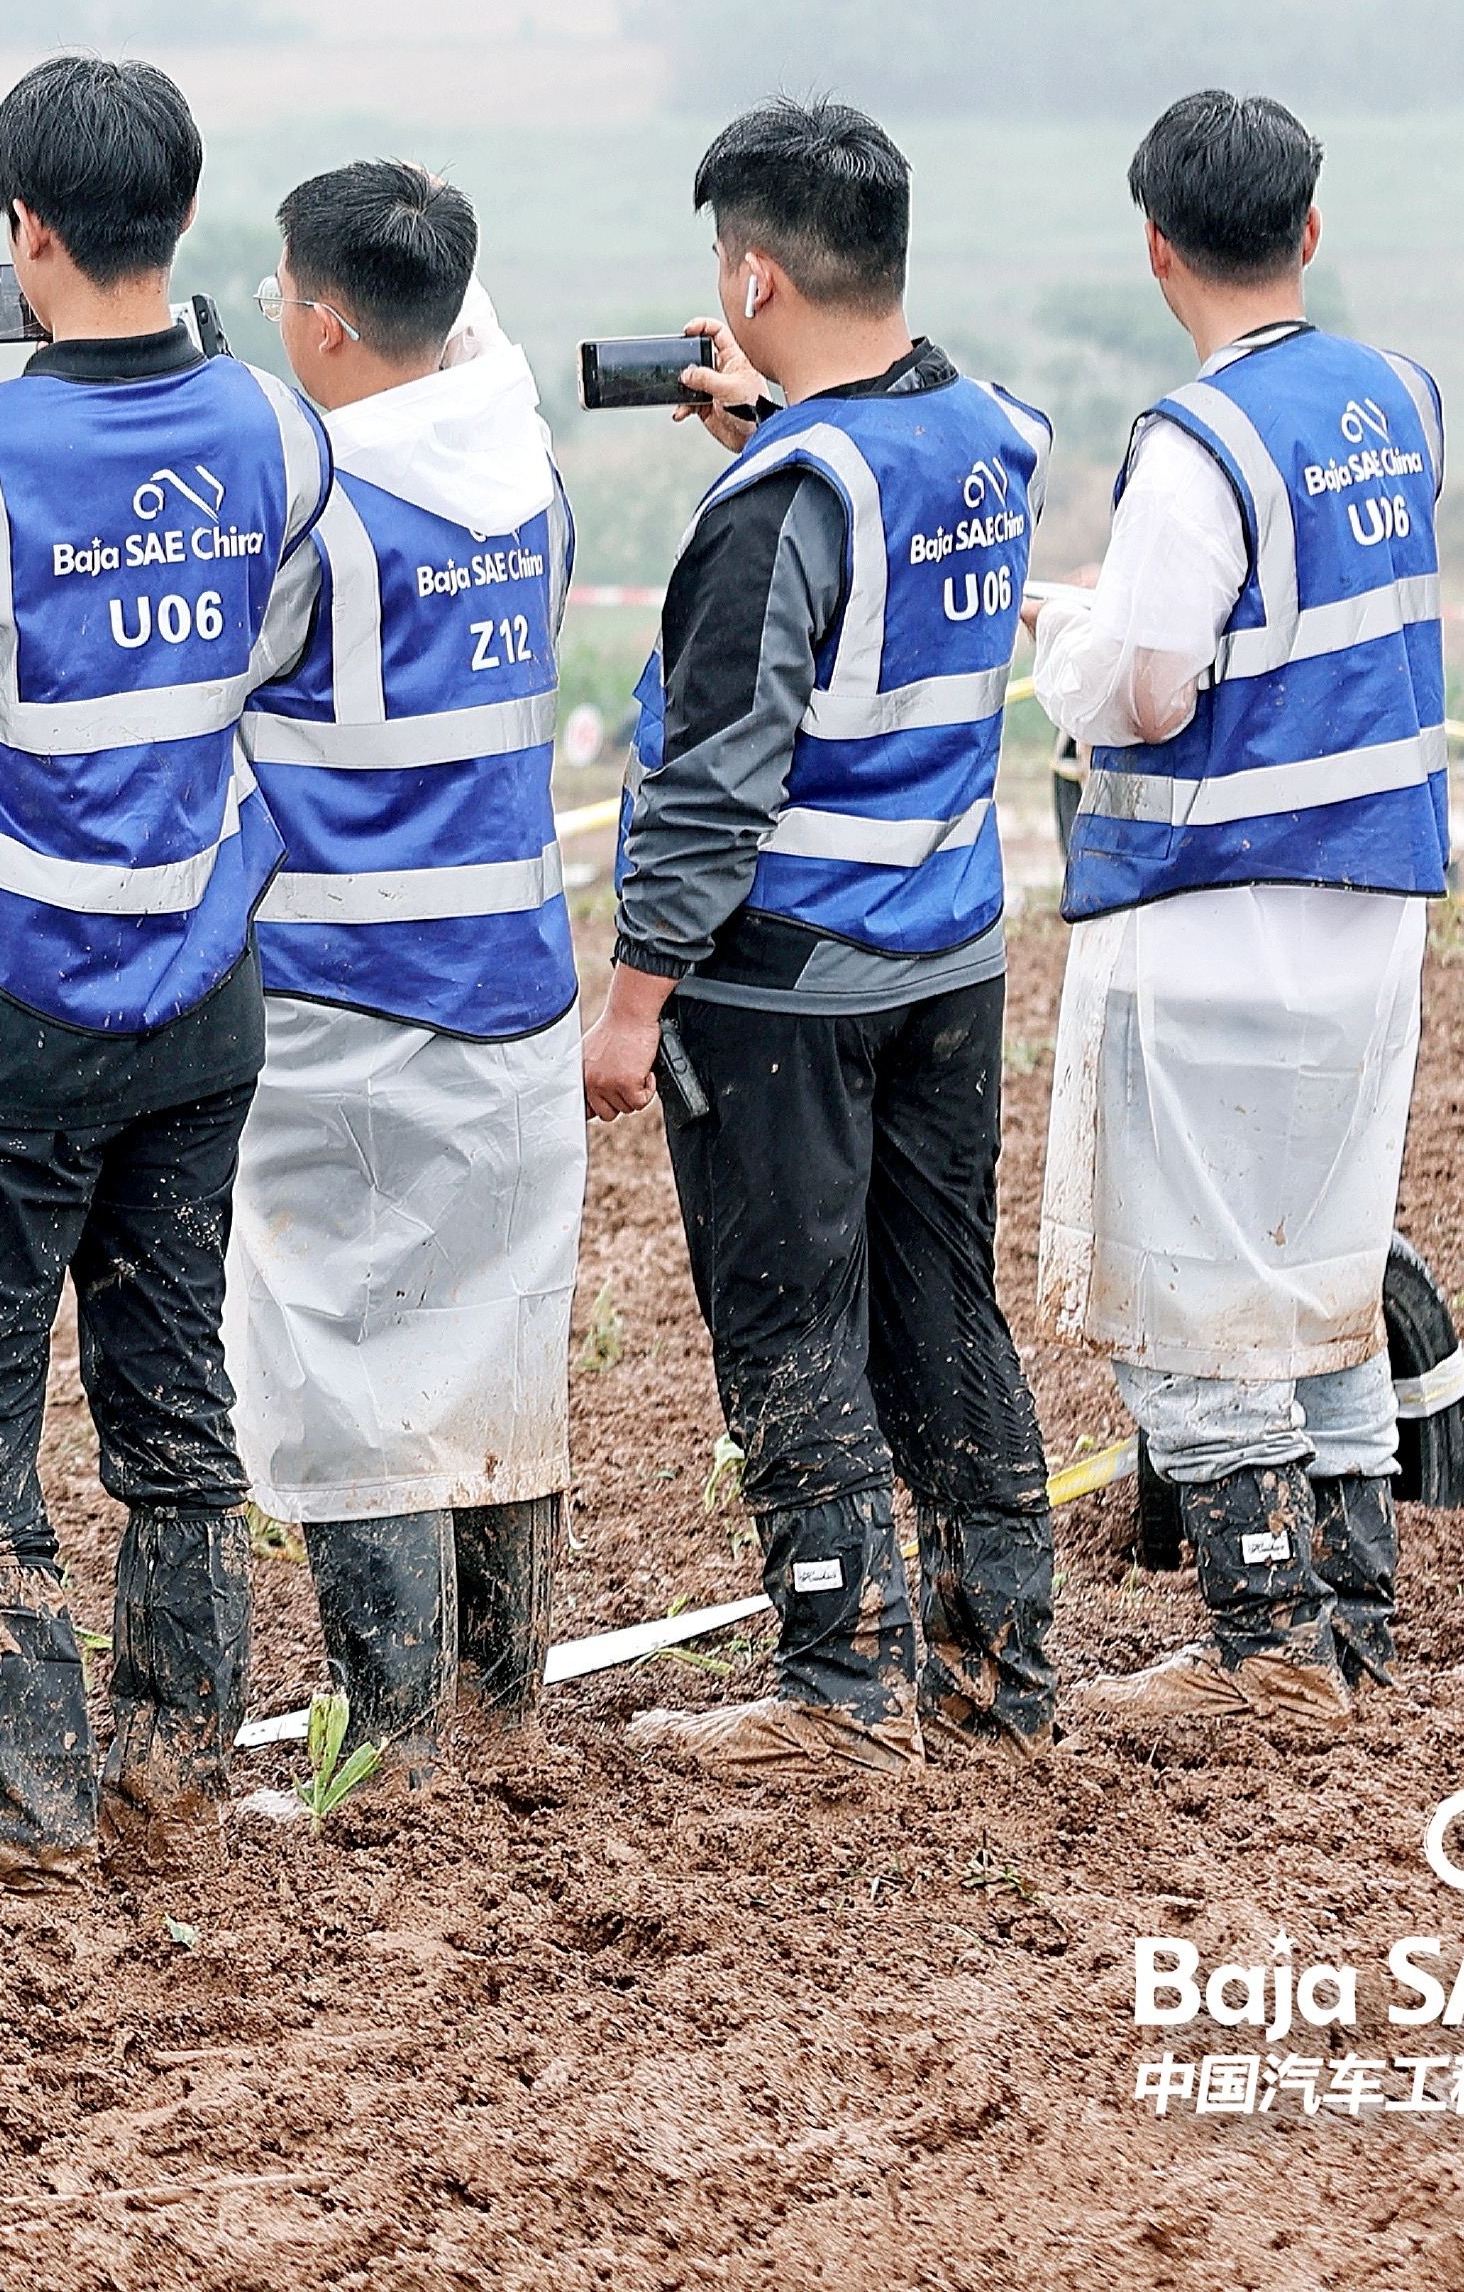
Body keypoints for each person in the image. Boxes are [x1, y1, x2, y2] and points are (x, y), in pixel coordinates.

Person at [0, 56, 332, 1878]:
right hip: (201, 991)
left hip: (10, 997)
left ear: (24, 236)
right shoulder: (284, 434)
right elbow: (270, 653)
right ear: (183, 222)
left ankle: (12, 1789)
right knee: (172, 1371)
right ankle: (177, 1758)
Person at [581, 97, 1061, 1780]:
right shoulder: (994, 431)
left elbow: (716, 782)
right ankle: (1001, 1656)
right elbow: (888, 585)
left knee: (789, 1319)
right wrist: (770, 428)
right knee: (946, 1304)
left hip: (782, 978)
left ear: (755, 271)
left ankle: (840, 1683)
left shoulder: (783, 502)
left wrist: (632, 1004)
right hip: (949, 956)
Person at [1032, 90, 1447, 1740]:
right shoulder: (1402, 399)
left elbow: (1145, 685)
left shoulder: (1198, 442)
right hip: (1371, 908)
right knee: (1321, 1255)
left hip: (1213, 914)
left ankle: (1267, 1625)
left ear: (1155, 247)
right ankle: (1354, 1606)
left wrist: (1067, 653)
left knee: (1189, 1284)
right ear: (1311, 230)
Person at [226, 161, 586, 1785]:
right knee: (497, 1345)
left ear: (318, 319)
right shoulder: (528, 478)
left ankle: (399, 1745)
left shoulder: (311, 511)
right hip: (515, 985)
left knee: (349, 1371)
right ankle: (505, 1715)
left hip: (345, 998)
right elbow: (466, 356)